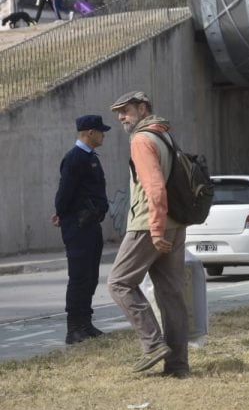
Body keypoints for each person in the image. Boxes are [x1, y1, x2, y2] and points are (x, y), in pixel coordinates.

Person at [108, 91, 190, 377]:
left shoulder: (142, 140)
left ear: (143, 109)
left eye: (126, 111)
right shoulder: (164, 135)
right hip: (175, 223)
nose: (121, 117)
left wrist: (155, 230)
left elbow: (155, 188)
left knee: (119, 283)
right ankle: (178, 365)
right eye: (118, 112)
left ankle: (153, 344)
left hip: (148, 224)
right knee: (171, 295)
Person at [52, 115, 111, 344]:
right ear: (89, 133)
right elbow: (64, 193)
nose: (103, 134)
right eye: (100, 131)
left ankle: (85, 323)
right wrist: (62, 213)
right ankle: (74, 328)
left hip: (90, 224)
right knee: (78, 276)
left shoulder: (89, 157)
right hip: (78, 225)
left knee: (91, 276)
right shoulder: (75, 158)